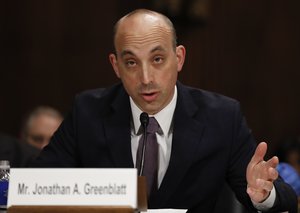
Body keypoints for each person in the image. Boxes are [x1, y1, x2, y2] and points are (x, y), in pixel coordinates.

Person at [33, 9, 297, 212]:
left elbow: (284, 196)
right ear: (115, 66)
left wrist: (263, 194)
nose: (146, 77)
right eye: (131, 62)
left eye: (157, 59)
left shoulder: (222, 117)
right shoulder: (87, 112)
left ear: (179, 58)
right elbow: (38, 187)